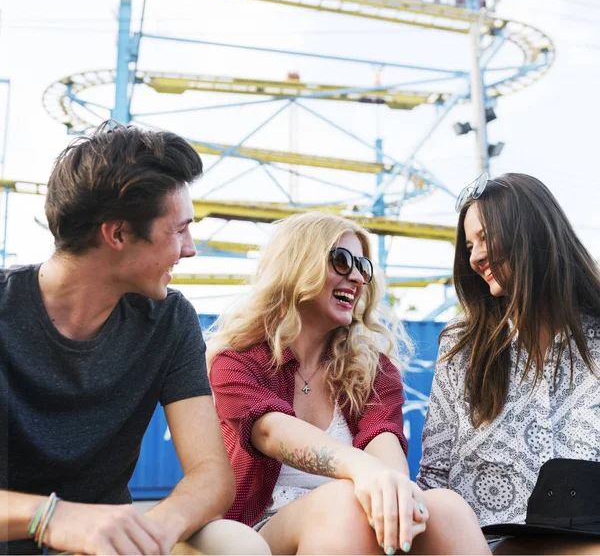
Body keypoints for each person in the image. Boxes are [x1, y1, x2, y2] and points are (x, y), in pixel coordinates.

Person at [0, 122, 269, 556]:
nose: (190, 248)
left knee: (234, 544)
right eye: (178, 230)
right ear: (118, 234)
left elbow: (211, 476)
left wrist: (155, 532)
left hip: (106, 548)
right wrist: (54, 518)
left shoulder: (169, 319)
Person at [207, 212, 490, 555]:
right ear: (297, 266)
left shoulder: (373, 368)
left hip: (353, 518)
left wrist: (392, 487)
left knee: (448, 508)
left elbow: (382, 439)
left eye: (363, 266)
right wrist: (362, 469)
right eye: (341, 261)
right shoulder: (237, 360)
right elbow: (269, 430)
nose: (357, 277)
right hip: (258, 528)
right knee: (343, 500)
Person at [417, 172, 600, 554]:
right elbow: (432, 479)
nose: (475, 256)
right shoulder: (460, 346)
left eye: (485, 237)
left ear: (532, 228)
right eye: (469, 245)